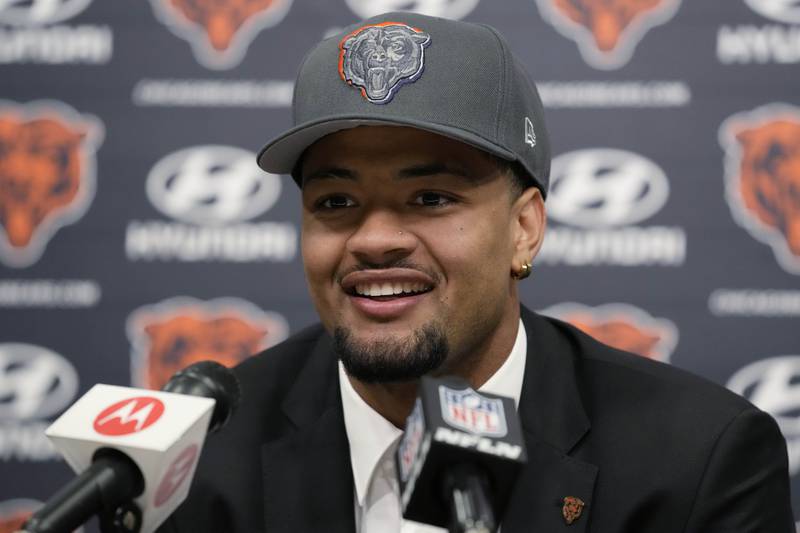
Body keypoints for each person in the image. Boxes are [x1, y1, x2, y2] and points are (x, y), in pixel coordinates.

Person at [161, 11, 794, 533]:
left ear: (525, 228)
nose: (375, 240)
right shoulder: (199, 458)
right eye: (335, 202)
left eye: (432, 197)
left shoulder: (696, 461)